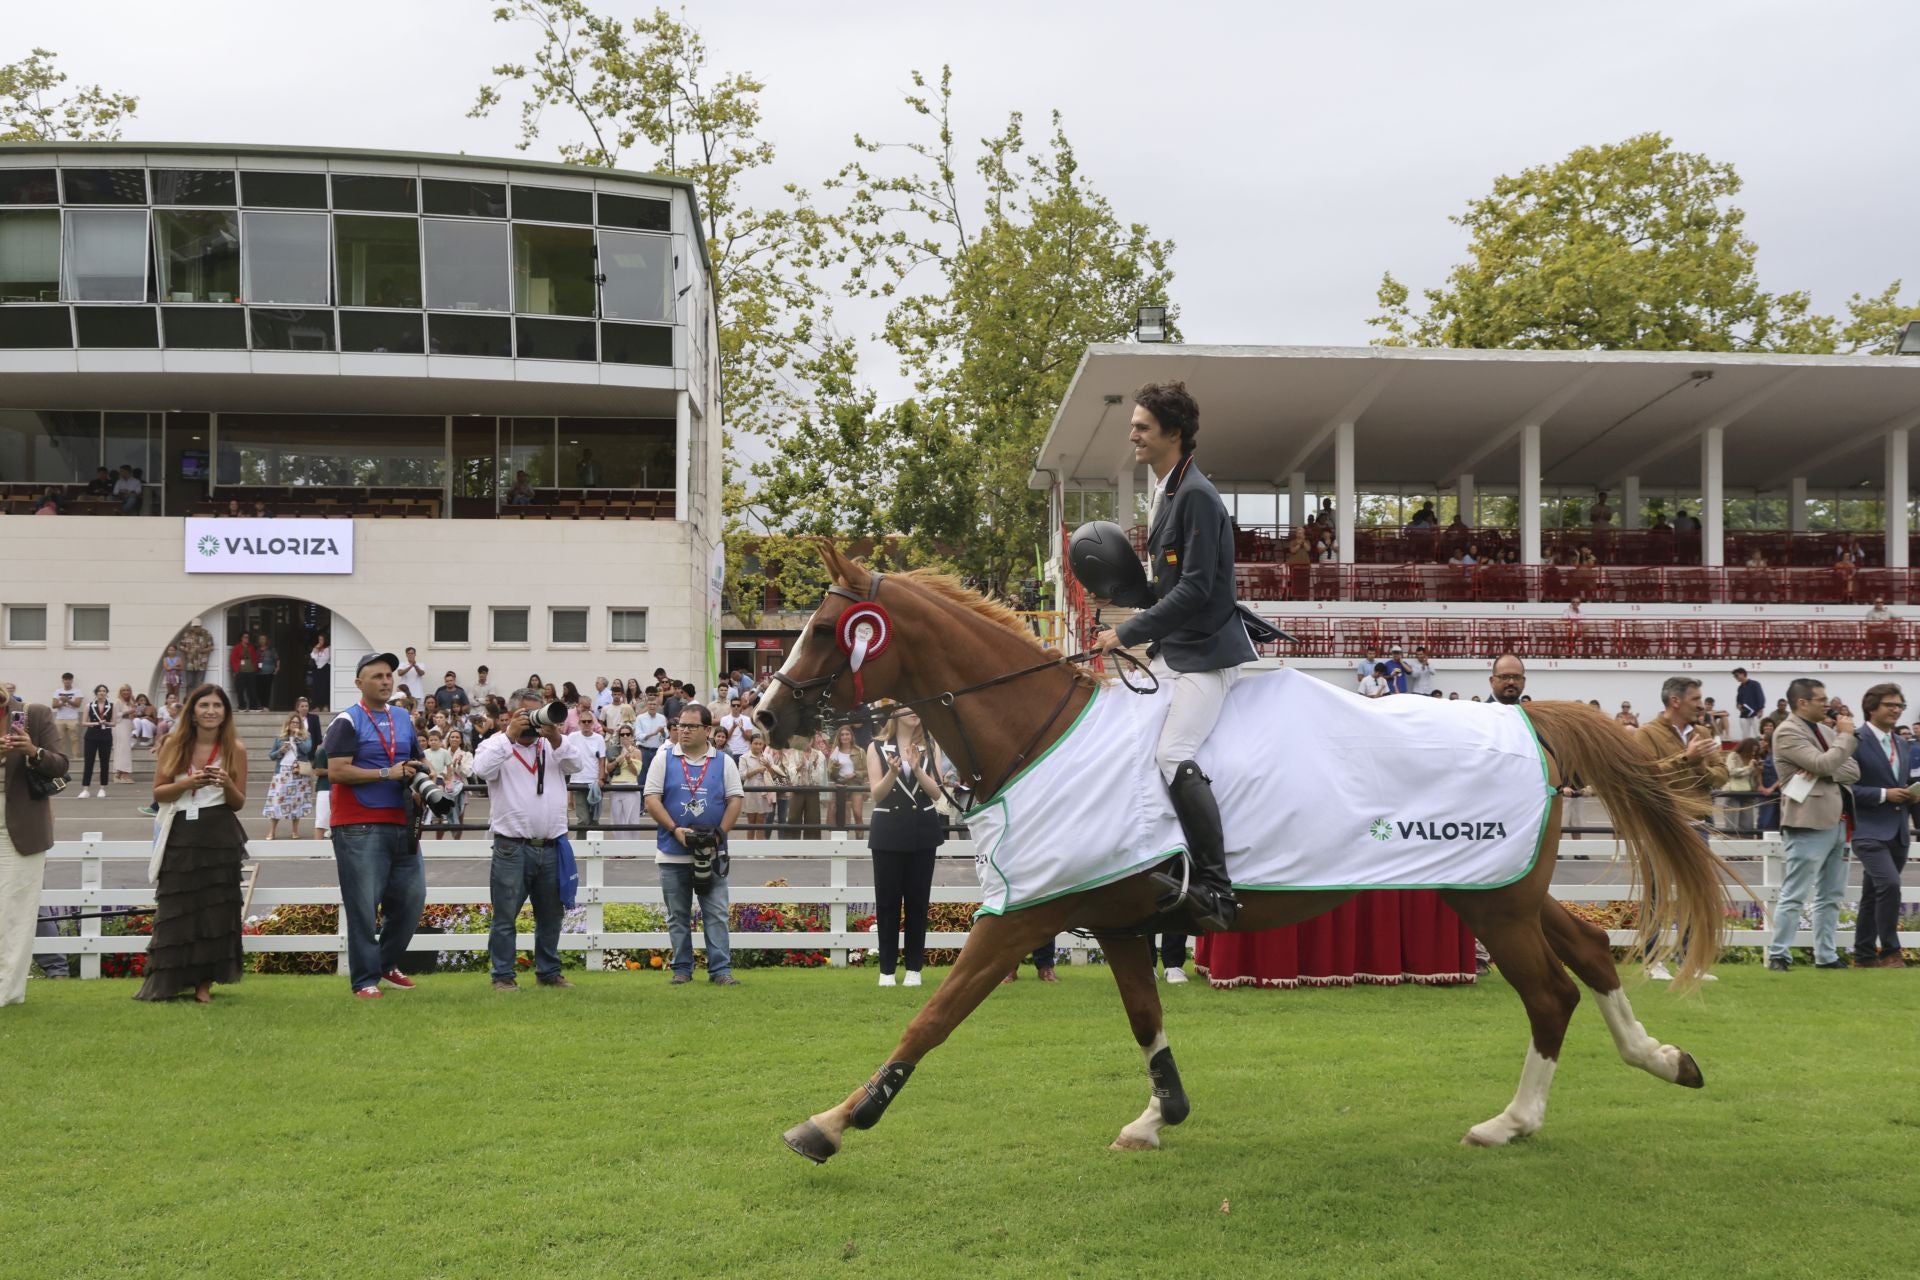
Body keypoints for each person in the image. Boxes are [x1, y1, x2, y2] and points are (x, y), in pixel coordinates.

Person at [1091, 380, 1260, 932]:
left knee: (1172, 752)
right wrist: (1121, 591)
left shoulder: (1197, 496)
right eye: (1133, 426)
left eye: (1142, 427)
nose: (1132, 435)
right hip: (1178, 649)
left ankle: (1217, 887)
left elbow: (1196, 590)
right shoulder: (1168, 491)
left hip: (1206, 655)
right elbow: (1166, 588)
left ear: (1174, 433)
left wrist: (1127, 631)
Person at [322, 653, 430, 999]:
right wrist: (387, 773)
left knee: (412, 898)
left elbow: (417, 758)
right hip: (359, 824)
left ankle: (384, 963)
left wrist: (426, 779)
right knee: (363, 905)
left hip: (402, 820)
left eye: (388, 675)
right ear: (359, 683)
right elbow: (336, 771)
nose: (385, 681)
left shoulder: (401, 717)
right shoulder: (346, 720)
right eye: (377, 676)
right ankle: (365, 980)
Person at [471, 687, 591, 990]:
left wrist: (556, 737)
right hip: (512, 846)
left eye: (538, 712)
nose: (534, 720)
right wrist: (509, 736)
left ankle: (548, 972)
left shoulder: (552, 744)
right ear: (511, 714)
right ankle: (503, 976)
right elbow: (481, 770)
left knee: (551, 915)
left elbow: (577, 765)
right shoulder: (495, 745)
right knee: (505, 915)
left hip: (551, 845)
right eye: (527, 713)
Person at [138, 684, 249, 1002]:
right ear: (193, 712)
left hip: (219, 835)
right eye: (204, 705)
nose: (211, 711)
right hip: (182, 833)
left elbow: (238, 802)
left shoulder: (235, 748)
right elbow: (159, 793)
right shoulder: (174, 744)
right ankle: (170, 981)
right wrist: (188, 783)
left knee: (216, 909)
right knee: (178, 908)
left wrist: (226, 783)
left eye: (217, 705)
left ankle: (204, 985)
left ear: (225, 712)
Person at [1635, 676, 1727, 981]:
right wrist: (1686, 758)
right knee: (1656, 892)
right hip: (1661, 822)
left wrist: (1698, 765)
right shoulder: (1646, 734)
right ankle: (1652, 961)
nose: (1701, 705)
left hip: (1698, 820)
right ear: (1675, 701)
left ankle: (1690, 962)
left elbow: (1721, 775)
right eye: (1695, 699)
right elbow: (1644, 775)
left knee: (1696, 892)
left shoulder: (1703, 733)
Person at [644, 703, 743, 986]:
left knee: (716, 914)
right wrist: (674, 829)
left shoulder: (724, 761)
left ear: (707, 729)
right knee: (677, 916)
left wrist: (719, 834)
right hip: (672, 852)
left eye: (691, 726)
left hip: (712, 852)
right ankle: (682, 969)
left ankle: (721, 970)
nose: (683, 730)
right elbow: (651, 798)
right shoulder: (664, 758)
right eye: (680, 725)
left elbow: (735, 800)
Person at [1765, 678, 1859, 972]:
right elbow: (1823, 764)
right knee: (1795, 892)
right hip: (1807, 821)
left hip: (1838, 819)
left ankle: (1826, 955)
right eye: (1821, 699)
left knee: (1831, 895)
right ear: (1802, 702)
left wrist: (1825, 765)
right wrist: (1842, 742)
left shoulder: (1826, 731)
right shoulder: (1787, 732)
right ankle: (1779, 954)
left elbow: (1853, 770)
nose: (1827, 704)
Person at [867, 708, 948, 987]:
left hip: (922, 832)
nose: (914, 712)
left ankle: (914, 969)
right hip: (888, 832)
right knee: (887, 903)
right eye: (906, 706)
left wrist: (916, 769)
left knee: (918, 902)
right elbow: (877, 794)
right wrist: (892, 773)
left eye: (917, 706)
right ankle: (887, 971)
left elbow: (936, 792)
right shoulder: (876, 746)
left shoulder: (930, 745)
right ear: (894, 711)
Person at [1, 694, 70, 1007]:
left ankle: (7, 993)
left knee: (15, 913)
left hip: (23, 825)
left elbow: (60, 766)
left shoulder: (34, 714)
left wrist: (32, 751)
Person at [1846, 683, 1910, 968]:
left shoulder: (1903, 743)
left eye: (1900, 706)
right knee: (1890, 885)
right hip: (1867, 829)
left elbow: (1901, 785)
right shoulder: (1854, 741)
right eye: (1890, 705)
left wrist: (1909, 794)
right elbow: (1845, 788)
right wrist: (1884, 794)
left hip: (1898, 830)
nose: (1896, 710)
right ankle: (1891, 951)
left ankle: (1863, 956)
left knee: (1873, 894)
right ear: (1871, 708)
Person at [262, 712, 315, 840]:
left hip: (298, 774)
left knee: (297, 802)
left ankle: (295, 831)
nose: (295, 725)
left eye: (297, 723)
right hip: (282, 773)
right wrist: (280, 751)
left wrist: (297, 738)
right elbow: (271, 756)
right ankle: (272, 831)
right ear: (288, 724)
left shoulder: (305, 737)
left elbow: (307, 750)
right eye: (293, 722)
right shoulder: (280, 738)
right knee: (277, 802)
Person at [604, 724, 648, 833]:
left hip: (631, 786)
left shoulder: (637, 752)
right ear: (619, 736)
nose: (625, 736)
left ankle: (631, 843)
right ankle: (618, 842)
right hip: (615, 787)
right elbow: (608, 769)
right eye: (622, 734)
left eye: (627, 734)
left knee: (631, 820)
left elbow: (636, 772)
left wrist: (628, 761)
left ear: (632, 736)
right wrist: (618, 759)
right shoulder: (613, 750)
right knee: (616, 820)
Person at [566, 714, 606, 828]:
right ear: (579, 723)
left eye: (589, 721)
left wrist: (601, 778)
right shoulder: (572, 737)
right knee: (583, 819)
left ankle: (594, 840)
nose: (586, 724)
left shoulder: (599, 738)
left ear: (593, 723)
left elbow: (602, 760)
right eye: (584, 721)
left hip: (594, 782)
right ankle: (581, 839)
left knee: (594, 819)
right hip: (578, 781)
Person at [78, 684, 114, 799]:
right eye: (99, 691)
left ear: (106, 693)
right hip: (91, 735)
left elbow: (114, 723)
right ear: (96, 693)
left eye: (104, 691)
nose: (102, 693)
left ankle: (102, 788)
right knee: (89, 762)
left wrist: (106, 723)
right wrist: (96, 723)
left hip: (105, 736)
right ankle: (85, 789)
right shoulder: (89, 705)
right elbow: (83, 723)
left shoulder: (111, 706)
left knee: (104, 762)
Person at [829, 724, 867, 829]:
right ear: (839, 737)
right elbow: (830, 774)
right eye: (842, 735)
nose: (845, 737)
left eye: (847, 734)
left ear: (851, 736)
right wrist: (836, 767)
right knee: (840, 816)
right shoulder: (835, 752)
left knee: (857, 814)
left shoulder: (860, 751)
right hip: (840, 784)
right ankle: (840, 837)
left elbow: (867, 771)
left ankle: (859, 837)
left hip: (855, 784)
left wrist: (855, 774)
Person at [739, 732, 775, 839]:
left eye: (760, 744)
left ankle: (759, 847)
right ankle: (750, 847)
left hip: (764, 792)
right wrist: (757, 770)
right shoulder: (744, 757)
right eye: (755, 743)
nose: (758, 746)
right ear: (750, 744)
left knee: (761, 822)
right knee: (751, 822)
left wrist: (768, 766)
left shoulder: (768, 757)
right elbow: (742, 775)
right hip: (750, 792)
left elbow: (774, 775)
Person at [1722, 739, 1759, 835]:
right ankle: (1731, 840)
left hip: (1748, 794)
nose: (1753, 753)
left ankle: (1747, 840)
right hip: (1733, 792)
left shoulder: (1753, 759)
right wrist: (1749, 768)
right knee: (1732, 825)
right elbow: (1732, 771)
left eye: (1755, 751)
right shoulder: (1733, 756)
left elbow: (1753, 778)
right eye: (1751, 750)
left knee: (1748, 825)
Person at [631, 692, 667, 780]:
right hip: (643, 751)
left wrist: (663, 732)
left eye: (654, 704)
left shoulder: (662, 718)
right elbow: (638, 736)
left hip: (657, 751)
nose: (652, 706)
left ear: (657, 706)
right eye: (650, 704)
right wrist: (653, 734)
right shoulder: (640, 718)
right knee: (642, 778)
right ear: (647, 705)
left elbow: (665, 737)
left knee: (657, 777)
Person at [50, 674, 83, 766]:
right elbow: (54, 705)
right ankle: (61, 757)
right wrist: (63, 703)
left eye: (69, 679)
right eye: (65, 679)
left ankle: (76, 757)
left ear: (72, 681)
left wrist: (66, 700)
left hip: (73, 718)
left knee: (74, 739)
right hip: (60, 718)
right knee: (59, 739)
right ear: (63, 681)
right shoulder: (57, 691)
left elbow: (77, 704)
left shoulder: (77, 691)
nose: (67, 681)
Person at [111, 683, 136, 784]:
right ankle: (121, 774)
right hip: (119, 726)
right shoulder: (117, 701)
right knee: (121, 750)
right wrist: (127, 712)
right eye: (124, 690)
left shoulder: (129, 703)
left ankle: (121, 774)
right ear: (120, 692)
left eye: (128, 690)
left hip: (127, 726)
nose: (126, 692)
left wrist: (133, 709)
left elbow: (132, 716)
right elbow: (114, 715)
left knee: (125, 750)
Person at [228, 633, 259, 711]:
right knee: (240, 690)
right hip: (240, 671)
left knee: (252, 689)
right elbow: (233, 659)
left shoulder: (251, 647)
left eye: (248, 637)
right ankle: (242, 706)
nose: (247, 638)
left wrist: (255, 668)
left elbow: (255, 658)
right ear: (241, 638)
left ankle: (253, 706)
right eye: (245, 637)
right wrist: (236, 670)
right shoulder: (237, 647)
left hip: (251, 671)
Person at [179, 620, 214, 690]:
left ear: (201, 626)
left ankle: (198, 697)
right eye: (194, 626)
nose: (196, 628)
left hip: (201, 663)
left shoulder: (206, 634)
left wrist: (202, 650)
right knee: (189, 684)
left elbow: (211, 647)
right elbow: (180, 646)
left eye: (197, 626)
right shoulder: (187, 634)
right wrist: (187, 650)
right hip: (190, 663)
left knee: (199, 684)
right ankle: (189, 697)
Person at [1732, 669, 1764, 739]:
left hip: (1755, 713)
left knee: (1758, 734)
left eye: (1736, 675)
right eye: (1734, 676)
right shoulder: (1740, 688)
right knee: (1745, 735)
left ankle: (1760, 746)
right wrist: (1738, 705)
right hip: (1744, 714)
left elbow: (1760, 696)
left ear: (1743, 674)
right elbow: (1738, 700)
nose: (1735, 678)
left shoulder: (1755, 684)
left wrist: (1760, 710)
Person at [307, 634, 331, 710]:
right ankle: (317, 706)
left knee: (325, 688)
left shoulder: (328, 648)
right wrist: (316, 649)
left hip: (325, 670)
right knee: (316, 688)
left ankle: (325, 706)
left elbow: (326, 658)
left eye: (322, 639)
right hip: (317, 670)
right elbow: (313, 657)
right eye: (319, 639)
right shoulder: (317, 648)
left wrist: (318, 653)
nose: (320, 641)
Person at [254, 633, 278, 711]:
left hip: (268, 672)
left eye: (263, 639)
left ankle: (266, 706)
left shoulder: (271, 649)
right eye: (260, 639)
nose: (262, 640)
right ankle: (261, 705)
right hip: (258, 673)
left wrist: (277, 668)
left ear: (266, 640)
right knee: (259, 690)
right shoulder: (256, 649)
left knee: (267, 689)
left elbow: (277, 659)